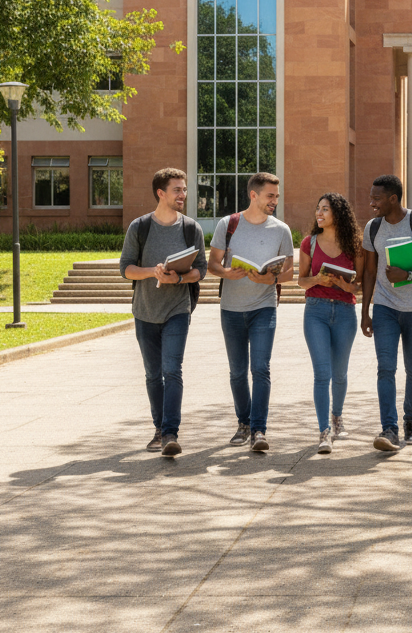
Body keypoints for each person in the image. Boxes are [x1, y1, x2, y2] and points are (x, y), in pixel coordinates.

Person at [120, 168, 207, 457]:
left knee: (172, 370)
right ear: (161, 193)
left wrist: (179, 278)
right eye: (177, 190)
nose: (183, 194)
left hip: (177, 309)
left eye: (184, 189)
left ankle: (170, 433)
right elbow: (126, 268)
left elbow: (201, 270)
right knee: (152, 374)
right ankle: (158, 428)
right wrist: (153, 271)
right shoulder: (140, 227)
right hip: (145, 310)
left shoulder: (190, 228)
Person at [207, 172, 294, 453]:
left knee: (261, 368)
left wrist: (271, 279)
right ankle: (243, 423)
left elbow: (290, 272)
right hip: (231, 308)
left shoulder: (281, 230)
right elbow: (212, 265)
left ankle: (258, 429)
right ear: (253, 195)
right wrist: (227, 274)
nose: (275, 201)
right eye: (270, 195)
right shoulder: (228, 224)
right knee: (236, 372)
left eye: (277, 196)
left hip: (264, 307)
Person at [360, 174, 412, 451]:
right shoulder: (373, 228)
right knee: (386, 368)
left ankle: (411, 421)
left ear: (393, 199)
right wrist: (365, 311)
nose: (371, 203)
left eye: (376, 198)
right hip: (384, 306)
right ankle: (389, 428)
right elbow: (370, 271)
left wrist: (408, 273)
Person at [296, 192, 364, 454]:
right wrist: (317, 280)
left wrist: (347, 285)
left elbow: (359, 285)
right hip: (316, 311)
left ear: (339, 214)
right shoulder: (308, 243)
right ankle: (324, 431)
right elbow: (301, 280)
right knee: (322, 373)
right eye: (317, 208)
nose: (319, 213)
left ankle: (337, 417)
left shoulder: (354, 245)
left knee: (340, 373)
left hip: (345, 311)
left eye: (325, 209)